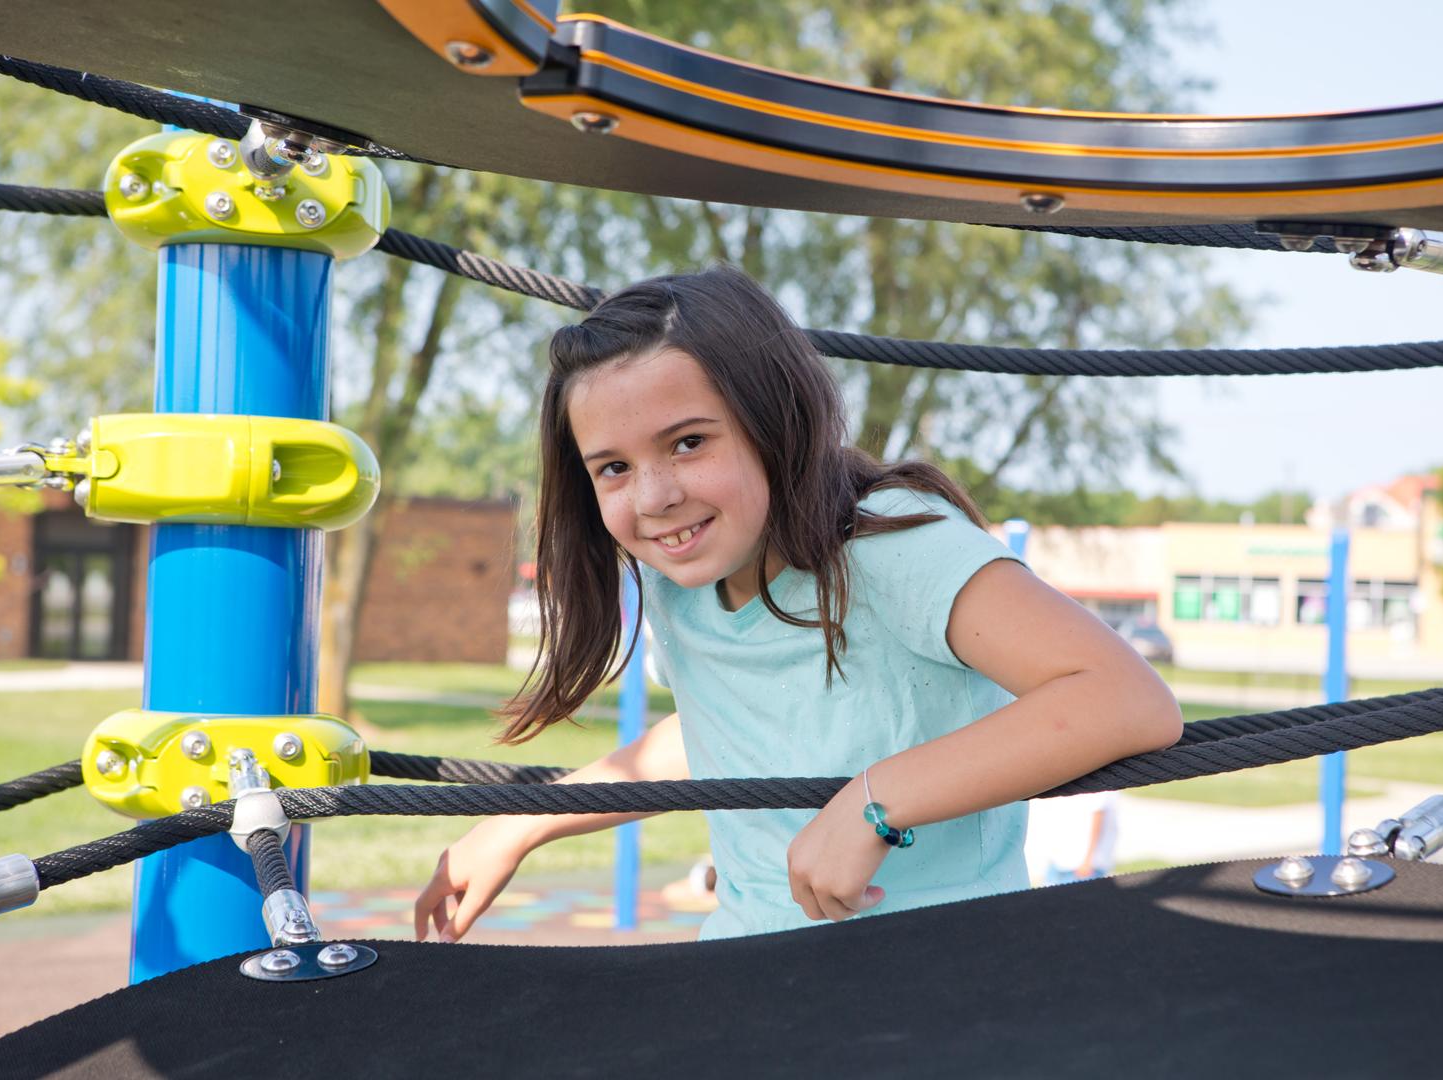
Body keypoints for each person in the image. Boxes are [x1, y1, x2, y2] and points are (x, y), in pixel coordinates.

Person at [415, 266, 1181, 942]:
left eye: (687, 443)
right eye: (613, 467)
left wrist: (876, 803)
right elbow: (737, 728)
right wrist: (515, 827)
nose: (654, 496)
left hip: (943, 968)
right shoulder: (682, 575)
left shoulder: (890, 548)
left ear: (774, 423)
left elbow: (1124, 698)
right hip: (752, 963)